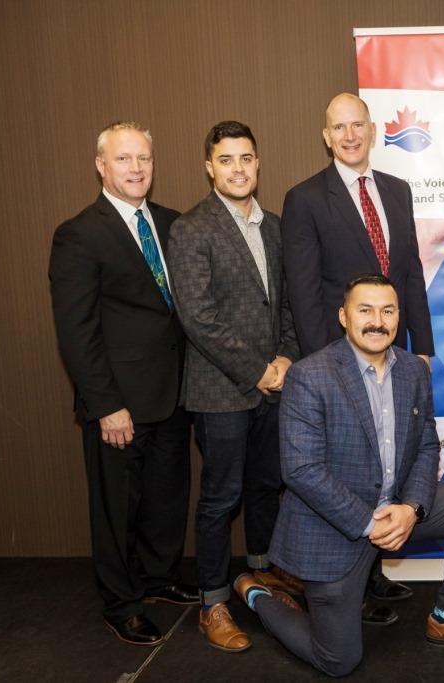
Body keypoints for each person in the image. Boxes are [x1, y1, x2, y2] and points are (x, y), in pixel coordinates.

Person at [234, 275, 444, 676]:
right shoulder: (311, 375)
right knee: (338, 660)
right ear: (344, 316)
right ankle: (259, 595)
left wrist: (412, 509)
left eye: (388, 310)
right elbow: (301, 470)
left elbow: (427, 445)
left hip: (396, 506)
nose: (377, 321)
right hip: (333, 525)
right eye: (365, 310)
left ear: (399, 317)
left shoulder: (414, 372)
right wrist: (368, 524)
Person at [281, 92, 430, 616]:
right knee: (350, 467)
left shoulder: (397, 190)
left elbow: (409, 273)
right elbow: (303, 290)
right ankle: (352, 578)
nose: (348, 135)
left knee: (389, 460)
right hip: (339, 363)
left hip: (394, 351)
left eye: (356, 125)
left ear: (371, 130)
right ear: (326, 136)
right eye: (338, 127)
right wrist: (328, 368)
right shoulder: (304, 198)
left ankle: (372, 574)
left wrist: (423, 347)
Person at [49, 121, 195, 646]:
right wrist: (105, 404)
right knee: (116, 508)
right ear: (101, 165)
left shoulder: (171, 223)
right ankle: (121, 602)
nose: (136, 169)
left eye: (144, 160)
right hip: (120, 405)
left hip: (175, 394)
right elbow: (77, 330)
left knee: (165, 496)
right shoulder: (79, 233)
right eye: (124, 159)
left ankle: (158, 578)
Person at [166, 121, 302, 652]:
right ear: (209, 166)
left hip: (275, 385)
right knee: (221, 498)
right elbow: (198, 318)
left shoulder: (274, 226)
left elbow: (286, 304)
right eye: (227, 160)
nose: (238, 169)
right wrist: (259, 370)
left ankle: (263, 576)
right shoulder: (192, 229)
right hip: (221, 390)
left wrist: (286, 358)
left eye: (246, 158)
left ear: (258, 163)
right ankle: (214, 601)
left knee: (268, 484)